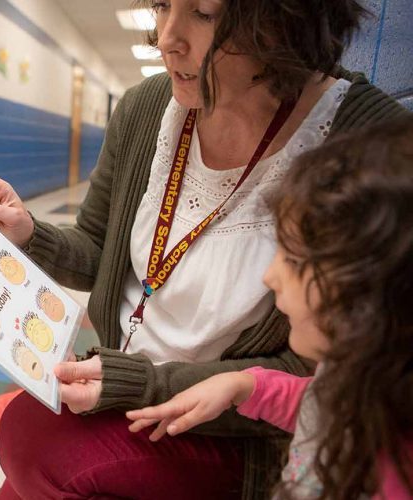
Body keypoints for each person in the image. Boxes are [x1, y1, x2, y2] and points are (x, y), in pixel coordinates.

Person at [0, 0, 410, 497]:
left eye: (205, 12)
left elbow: (324, 370)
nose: (166, 37)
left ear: (284, 22)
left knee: (34, 441)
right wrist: (28, 233)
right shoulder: (145, 108)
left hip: (235, 429)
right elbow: (96, 250)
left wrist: (141, 384)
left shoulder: (367, 140)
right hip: (117, 385)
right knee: (23, 472)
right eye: (161, 5)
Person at [127, 117, 413, 499]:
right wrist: (247, 385)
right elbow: (319, 409)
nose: (270, 276)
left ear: (373, 296)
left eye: (294, 260)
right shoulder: (352, 379)